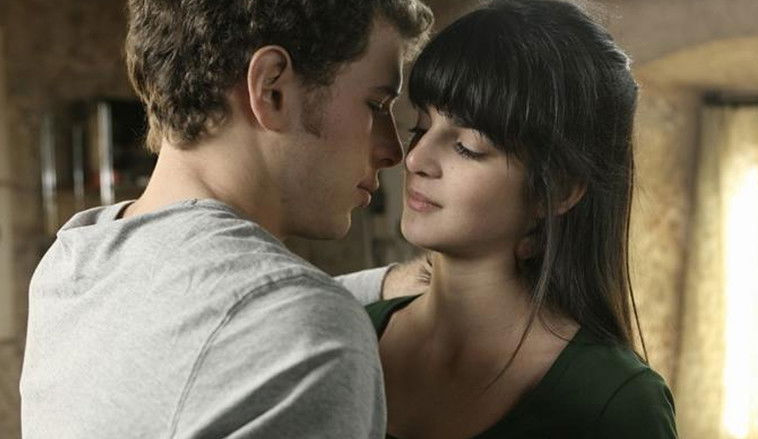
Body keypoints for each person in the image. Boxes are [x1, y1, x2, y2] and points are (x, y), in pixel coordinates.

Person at [20, 1, 432, 437]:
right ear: (271, 88)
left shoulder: (75, 258)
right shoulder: (309, 333)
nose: (394, 152)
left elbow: (216, 312)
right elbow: (271, 313)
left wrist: (394, 283)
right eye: (376, 104)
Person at [348, 0, 679, 437]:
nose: (415, 159)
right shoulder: (347, 335)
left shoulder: (616, 403)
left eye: (466, 146)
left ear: (556, 190)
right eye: (421, 129)